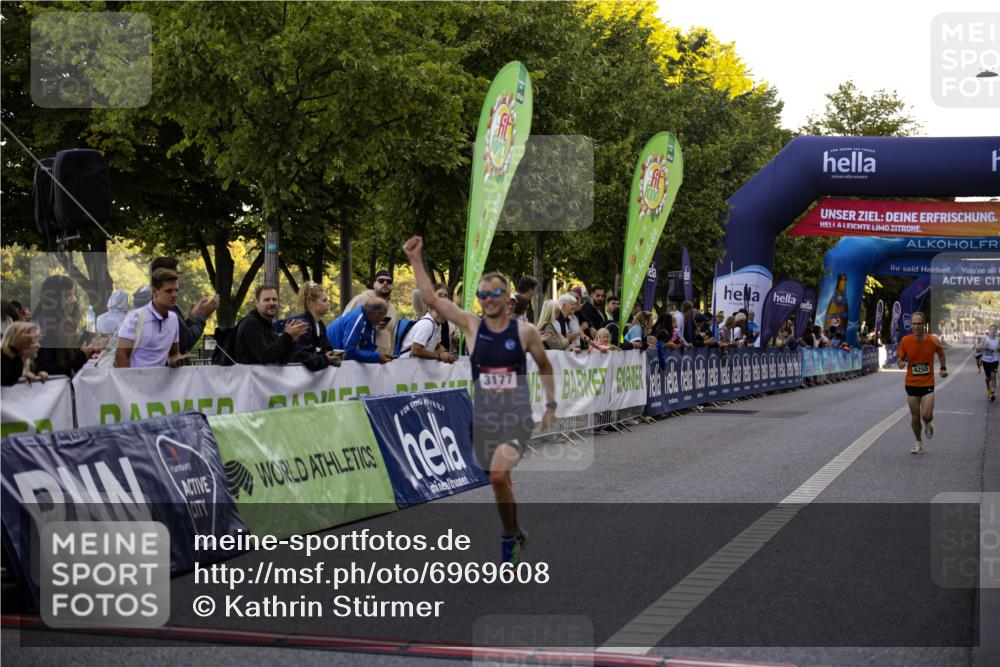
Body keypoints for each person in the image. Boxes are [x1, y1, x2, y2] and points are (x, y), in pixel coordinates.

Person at [404, 236, 556, 565]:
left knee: (500, 477)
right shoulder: (471, 326)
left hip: (515, 417)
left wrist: (551, 405)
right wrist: (416, 259)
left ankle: (507, 540)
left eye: (494, 293)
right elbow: (429, 297)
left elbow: (545, 365)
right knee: (501, 482)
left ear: (507, 298)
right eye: (482, 295)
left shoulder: (524, 332)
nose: (487, 299)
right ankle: (516, 532)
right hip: (484, 419)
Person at [114, 269, 190, 369]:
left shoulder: (173, 318)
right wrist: (131, 382)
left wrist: (178, 360)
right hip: (135, 382)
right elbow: (120, 357)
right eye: (169, 291)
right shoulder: (135, 317)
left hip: (161, 383)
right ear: (154, 292)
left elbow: (173, 355)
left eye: (176, 290)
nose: (174, 295)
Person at [32, 275, 104, 377]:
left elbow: (68, 360)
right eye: (68, 295)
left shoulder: (58, 323)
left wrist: (87, 342)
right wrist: (85, 353)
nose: (74, 300)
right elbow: (49, 369)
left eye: (73, 294)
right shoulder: (44, 327)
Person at [897, 311, 947, 455]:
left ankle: (929, 423)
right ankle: (918, 442)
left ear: (924, 324)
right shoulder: (906, 341)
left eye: (919, 323)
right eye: (914, 323)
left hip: (927, 383)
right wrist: (900, 363)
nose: (916, 326)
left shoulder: (933, 340)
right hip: (911, 383)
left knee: (926, 415)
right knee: (915, 417)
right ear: (911, 325)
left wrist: (943, 368)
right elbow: (900, 359)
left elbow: (941, 354)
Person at [149, 257, 219, 353]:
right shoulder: (164, 310)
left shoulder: (168, 307)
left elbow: (181, 335)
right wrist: (202, 316)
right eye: (177, 274)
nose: (174, 294)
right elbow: (185, 342)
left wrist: (192, 319)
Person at [233, 285, 308, 365]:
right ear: (257, 303)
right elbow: (265, 357)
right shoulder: (250, 324)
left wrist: (292, 340)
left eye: (274, 299)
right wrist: (287, 336)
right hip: (250, 377)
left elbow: (282, 359)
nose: (272, 303)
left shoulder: (268, 324)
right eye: (267, 300)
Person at [285, 281, 337, 371]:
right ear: (312, 304)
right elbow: (305, 357)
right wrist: (326, 359)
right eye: (324, 300)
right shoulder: (302, 325)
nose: (328, 303)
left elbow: (326, 350)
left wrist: (338, 357)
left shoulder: (320, 325)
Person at [345, 269, 399, 357]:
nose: (385, 283)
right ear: (374, 284)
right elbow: (345, 324)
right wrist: (373, 328)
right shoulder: (360, 300)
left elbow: (393, 336)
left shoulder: (392, 308)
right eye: (381, 281)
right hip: (362, 357)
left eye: (389, 281)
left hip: (384, 359)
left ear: (392, 285)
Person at [327, 298, 392, 364]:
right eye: (384, 316)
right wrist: (377, 357)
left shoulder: (370, 321)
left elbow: (369, 349)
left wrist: (378, 357)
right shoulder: (356, 319)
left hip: (339, 355)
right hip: (330, 355)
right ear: (376, 316)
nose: (384, 319)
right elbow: (348, 351)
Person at [399, 295, 456, 362]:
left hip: (413, 367)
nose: (442, 314)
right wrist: (439, 356)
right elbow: (415, 351)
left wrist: (445, 352)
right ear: (429, 309)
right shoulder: (427, 324)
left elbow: (436, 346)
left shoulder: (437, 325)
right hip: (407, 366)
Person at [2, 321, 42, 386]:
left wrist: (39, 376)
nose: (38, 345)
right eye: (33, 340)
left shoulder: (30, 364)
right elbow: (6, 380)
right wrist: (22, 377)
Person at [975, 323, 998, 401]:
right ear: (989, 331)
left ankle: (992, 393)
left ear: (996, 331)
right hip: (986, 361)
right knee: (988, 378)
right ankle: (987, 383)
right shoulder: (985, 339)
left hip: (995, 360)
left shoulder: (998, 340)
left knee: (993, 376)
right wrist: (984, 346)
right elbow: (977, 349)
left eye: (994, 330)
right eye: (991, 330)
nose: (993, 331)